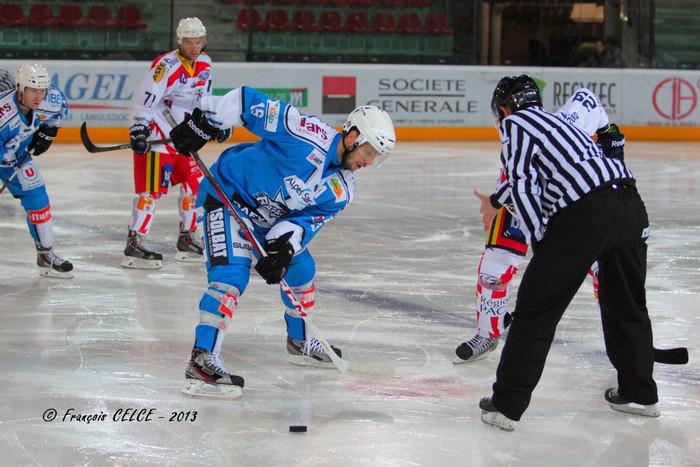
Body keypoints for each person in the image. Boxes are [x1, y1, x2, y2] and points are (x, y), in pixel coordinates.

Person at [167, 87, 396, 399]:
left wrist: (282, 250)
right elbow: (248, 102)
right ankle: (201, 359)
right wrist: (206, 122)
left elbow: (304, 223)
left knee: (302, 271)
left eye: (376, 157)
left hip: (267, 222)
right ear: (353, 135)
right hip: (227, 197)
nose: (369, 162)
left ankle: (300, 342)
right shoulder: (306, 136)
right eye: (369, 152)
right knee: (231, 277)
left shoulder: (342, 189)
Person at [478, 75, 658, 431]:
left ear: (503, 110)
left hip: (586, 213)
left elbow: (524, 183)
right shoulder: (560, 126)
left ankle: (506, 405)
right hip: (630, 204)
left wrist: (540, 239)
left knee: (536, 308)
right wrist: (496, 200)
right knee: (627, 304)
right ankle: (640, 393)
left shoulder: (516, 123)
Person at [454, 87, 623, 363]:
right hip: (522, 202)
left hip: (569, 206)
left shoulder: (564, 122)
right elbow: (519, 182)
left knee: (606, 271)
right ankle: (487, 332)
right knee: (493, 267)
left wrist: (611, 143)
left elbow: (593, 108)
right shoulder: (530, 132)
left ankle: (621, 342)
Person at [123, 17, 230, 269]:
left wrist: (216, 123)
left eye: (198, 42)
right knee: (150, 192)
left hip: (184, 136)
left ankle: (187, 237)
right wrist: (139, 129)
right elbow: (144, 99)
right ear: (179, 41)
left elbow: (204, 99)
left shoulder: (205, 63)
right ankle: (135, 241)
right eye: (189, 42)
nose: (194, 47)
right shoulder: (166, 65)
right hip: (157, 137)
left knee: (194, 187)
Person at [0, 63, 73, 278]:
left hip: (19, 158)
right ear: (20, 88)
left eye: (42, 90)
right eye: (33, 90)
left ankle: (46, 254)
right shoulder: (3, 115)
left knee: (38, 199)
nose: (39, 96)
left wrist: (48, 132)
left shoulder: (51, 100)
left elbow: (62, 108)